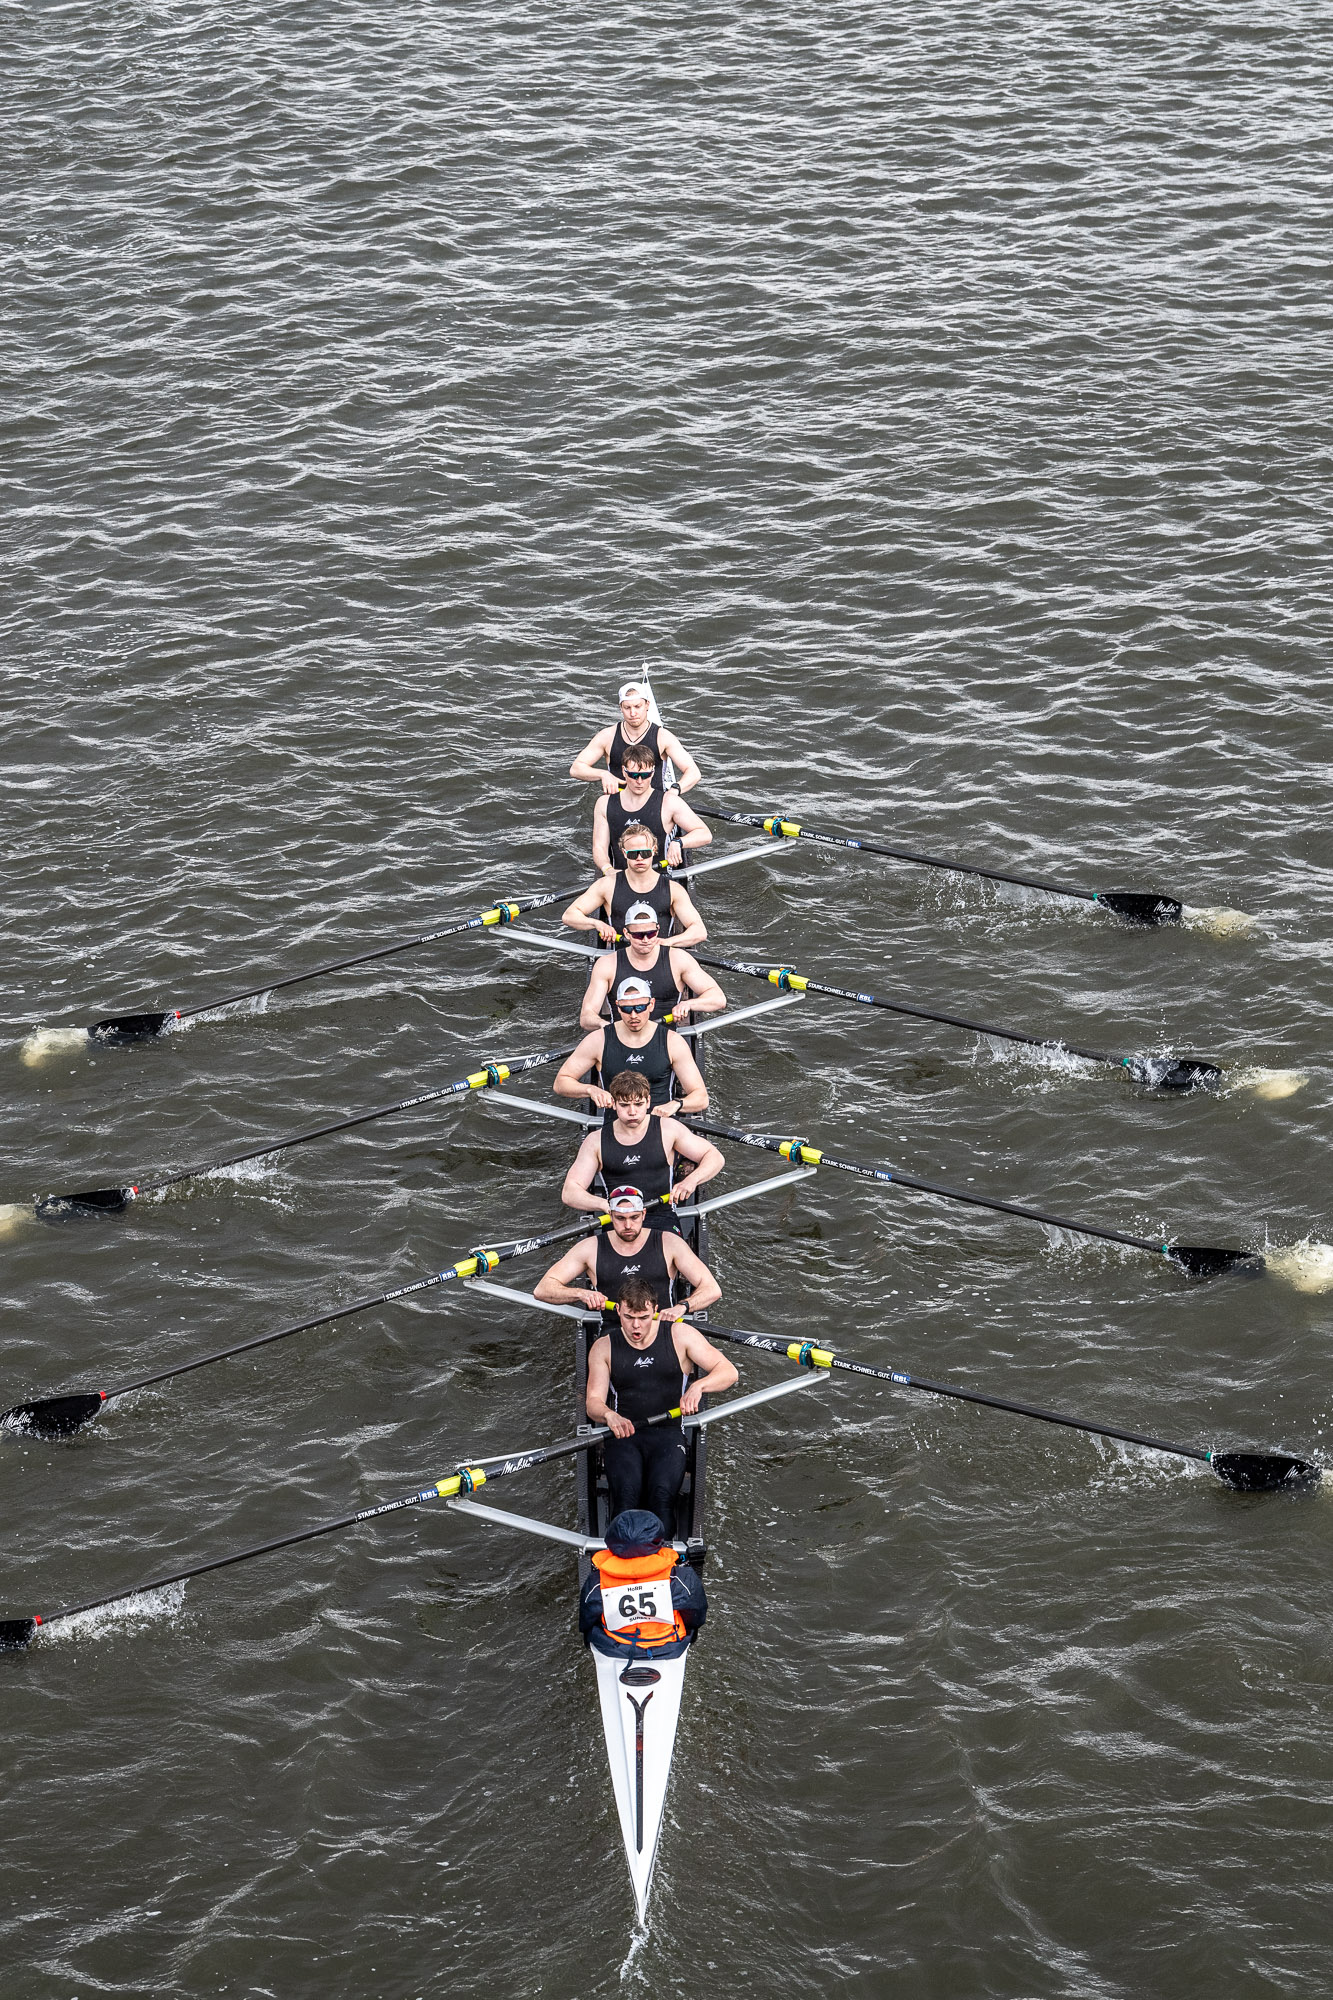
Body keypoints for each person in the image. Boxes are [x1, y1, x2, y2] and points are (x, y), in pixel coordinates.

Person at [583, 1276, 738, 1526]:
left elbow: (729, 1371)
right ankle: (618, 1560)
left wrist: (698, 1387)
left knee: (662, 1499)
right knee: (624, 1501)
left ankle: (666, 1562)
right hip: (625, 1434)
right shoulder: (604, 1347)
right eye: (628, 1317)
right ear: (618, 1310)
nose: (636, 1327)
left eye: (643, 1318)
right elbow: (593, 1402)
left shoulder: (680, 1334)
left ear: (655, 1311)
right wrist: (609, 1415)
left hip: (668, 1433)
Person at [560, 1070, 724, 1227]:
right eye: (624, 1105)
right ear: (614, 1105)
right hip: (619, 1222)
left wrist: (691, 1181)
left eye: (638, 1104)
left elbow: (715, 1157)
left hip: (661, 1218)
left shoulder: (668, 1129)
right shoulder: (595, 1141)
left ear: (648, 1102)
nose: (632, 1112)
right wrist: (605, 1204)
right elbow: (570, 1192)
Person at [534, 1184, 722, 1316]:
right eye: (620, 1219)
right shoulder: (589, 1248)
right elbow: (542, 1289)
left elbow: (712, 1289)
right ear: (610, 1216)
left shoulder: (669, 1243)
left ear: (644, 1214)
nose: (628, 1225)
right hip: (613, 1336)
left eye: (634, 1217)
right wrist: (581, 1294)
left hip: (661, 1327)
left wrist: (683, 1307)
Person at [556, 978, 708, 1115]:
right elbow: (561, 1082)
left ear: (651, 1005)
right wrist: (590, 1089)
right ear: (618, 1006)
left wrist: (676, 1104)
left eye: (640, 1008)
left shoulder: (672, 1042)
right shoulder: (598, 1040)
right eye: (627, 1009)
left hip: (660, 1127)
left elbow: (701, 1097)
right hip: (616, 1127)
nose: (634, 1015)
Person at [578, 1509, 708, 1659]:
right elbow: (696, 1615)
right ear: (658, 1540)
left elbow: (587, 1619)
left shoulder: (596, 1581)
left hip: (614, 1645)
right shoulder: (680, 1577)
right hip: (669, 1646)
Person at [578, 911, 725, 1030]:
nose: (646, 939)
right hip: (621, 1039)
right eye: (638, 935)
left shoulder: (678, 959)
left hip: (665, 1042)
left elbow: (718, 998)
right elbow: (586, 1017)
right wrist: (604, 1026)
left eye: (651, 933)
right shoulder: (607, 965)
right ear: (626, 933)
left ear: (658, 930)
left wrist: (688, 1004)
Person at [562, 833, 706, 948]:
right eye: (633, 854)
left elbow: (699, 931)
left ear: (654, 850)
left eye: (645, 853)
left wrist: (667, 942)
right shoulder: (607, 885)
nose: (639, 858)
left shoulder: (673, 889)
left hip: (659, 957)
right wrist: (597, 924)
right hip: (619, 962)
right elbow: (569, 916)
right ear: (624, 853)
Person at [593, 741, 711, 874]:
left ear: (653, 772)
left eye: (645, 775)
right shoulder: (604, 803)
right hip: (619, 878)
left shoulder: (669, 802)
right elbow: (599, 847)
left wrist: (679, 842)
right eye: (633, 775)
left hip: (660, 879)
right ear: (623, 771)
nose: (639, 781)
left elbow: (705, 834)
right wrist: (607, 869)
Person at [570, 681, 701, 796]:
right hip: (619, 803)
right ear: (621, 708)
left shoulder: (663, 737)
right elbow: (576, 769)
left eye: (637, 707)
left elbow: (693, 772)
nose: (633, 713)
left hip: (655, 803)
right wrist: (603, 774)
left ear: (647, 705)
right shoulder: (607, 736)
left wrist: (674, 790)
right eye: (627, 708)